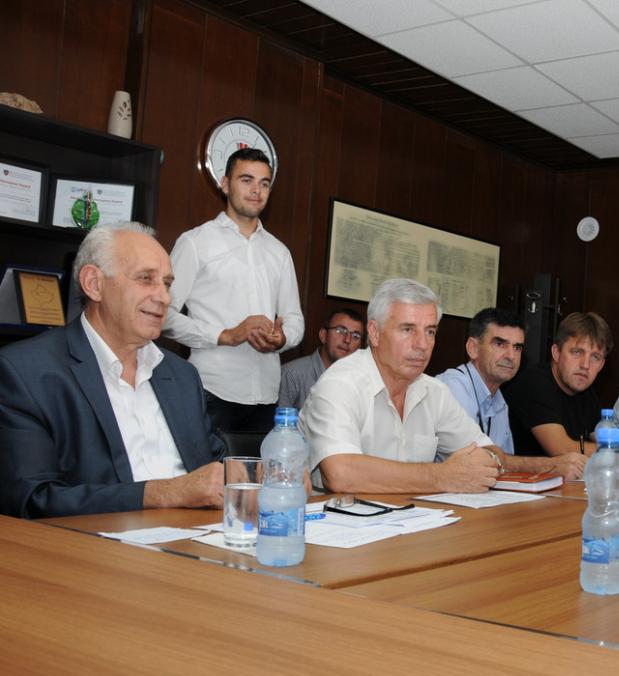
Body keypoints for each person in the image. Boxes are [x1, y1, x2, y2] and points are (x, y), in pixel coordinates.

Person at [0, 223, 226, 519]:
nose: (166, 298)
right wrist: (164, 492)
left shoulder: (182, 376)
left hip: (197, 543)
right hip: (96, 552)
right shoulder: (26, 373)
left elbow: (213, 469)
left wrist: (262, 475)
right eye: (146, 279)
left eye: (167, 284)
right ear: (94, 284)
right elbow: (33, 500)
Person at [299, 279, 571, 493]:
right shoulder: (341, 383)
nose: (422, 344)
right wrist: (443, 476)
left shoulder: (434, 391)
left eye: (430, 331)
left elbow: (489, 452)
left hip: (410, 526)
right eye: (407, 329)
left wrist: (486, 463)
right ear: (374, 332)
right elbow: (341, 473)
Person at [164, 147, 304, 433]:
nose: (257, 190)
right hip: (212, 391)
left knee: (257, 478)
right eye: (247, 180)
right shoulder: (195, 242)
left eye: (264, 183)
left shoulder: (279, 252)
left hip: (267, 395)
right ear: (225, 184)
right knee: (211, 478)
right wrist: (225, 335)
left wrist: (282, 338)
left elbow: (295, 319)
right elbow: (162, 314)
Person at [436, 308, 585, 478]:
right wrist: (550, 465)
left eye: (517, 348)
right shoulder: (451, 388)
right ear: (473, 348)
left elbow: (504, 467)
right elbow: (479, 461)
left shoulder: (499, 399)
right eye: (500, 344)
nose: (511, 356)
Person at [503, 311, 611, 458]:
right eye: (577, 352)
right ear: (556, 353)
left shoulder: (586, 392)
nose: (585, 365)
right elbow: (561, 450)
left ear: (601, 365)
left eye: (595, 357)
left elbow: (603, 438)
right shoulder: (534, 382)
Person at [278, 307, 366, 410]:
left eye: (355, 336)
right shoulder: (292, 375)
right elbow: (280, 423)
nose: (347, 340)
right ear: (323, 335)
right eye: (341, 331)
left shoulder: (361, 382)